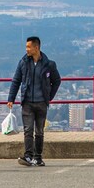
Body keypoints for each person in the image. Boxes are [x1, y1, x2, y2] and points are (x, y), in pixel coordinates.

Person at [7, 36, 61, 167]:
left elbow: (57, 81)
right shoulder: (23, 62)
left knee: (39, 131)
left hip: (42, 102)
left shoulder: (49, 64)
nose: (26, 49)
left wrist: (49, 97)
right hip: (27, 102)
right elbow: (16, 80)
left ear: (36, 48)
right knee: (28, 130)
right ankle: (28, 156)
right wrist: (11, 98)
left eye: (28, 47)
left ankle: (38, 157)